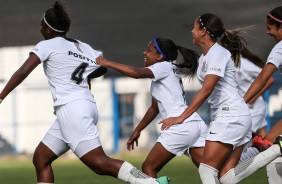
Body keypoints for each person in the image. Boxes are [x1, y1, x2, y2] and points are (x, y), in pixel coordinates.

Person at [0, 1, 169, 184]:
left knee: (99, 163)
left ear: (48, 29)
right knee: (41, 158)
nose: (40, 27)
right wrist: (87, 76)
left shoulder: (46, 45)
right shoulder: (84, 47)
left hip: (72, 110)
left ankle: (150, 183)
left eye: (42, 24)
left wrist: (1, 96)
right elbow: (101, 67)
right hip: (82, 106)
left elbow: (23, 72)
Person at [158, 13, 282, 184]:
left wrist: (182, 117)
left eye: (195, 27)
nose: (192, 31)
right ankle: (274, 150)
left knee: (207, 169)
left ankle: (270, 149)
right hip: (233, 116)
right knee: (226, 177)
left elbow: (207, 89)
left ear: (204, 31)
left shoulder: (218, 52)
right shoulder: (204, 58)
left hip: (231, 116)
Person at [96, 37, 208, 178]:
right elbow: (154, 108)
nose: (144, 52)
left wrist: (106, 62)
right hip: (194, 124)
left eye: (149, 50)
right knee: (209, 172)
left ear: (160, 56)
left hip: (180, 127)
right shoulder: (167, 71)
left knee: (148, 167)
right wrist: (138, 130)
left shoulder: (163, 67)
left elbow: (137, 73)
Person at [242, 6, 282, 184]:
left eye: (270, 27)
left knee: (266, 146)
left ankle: (224, 175)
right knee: (272, 156)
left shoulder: (280, 48)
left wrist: (242, 103)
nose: (267, 32)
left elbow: (263, 77)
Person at [236, 47, 275, 137]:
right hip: (246, 108)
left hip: (254, 108)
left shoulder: (243, 64)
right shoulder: (230, 66)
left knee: (241, 139)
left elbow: (269, 79)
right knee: (263, 140)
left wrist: (254, 97)